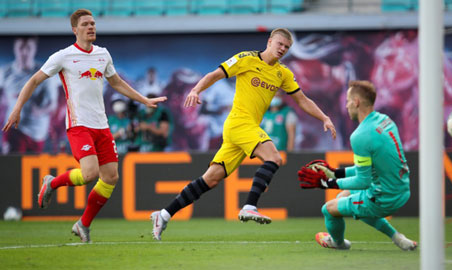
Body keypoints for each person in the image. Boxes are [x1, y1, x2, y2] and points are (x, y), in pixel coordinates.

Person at [150, 28, 336, 241]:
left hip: (242, 129)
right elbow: (215, 74)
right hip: (240, 122)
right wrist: (195, 90)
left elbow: (302, 99)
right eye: (280, 44)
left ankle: (163, 214)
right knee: (274, 157)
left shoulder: (282, 73)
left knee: (211, 179)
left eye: (286, 47)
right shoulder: (245, 58)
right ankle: (249, 206)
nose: (282, 49)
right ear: (269, 42)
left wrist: (324, 118)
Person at [2, 9, 166, 243]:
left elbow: (116, 82)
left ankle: (83, 224)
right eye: (86, 24)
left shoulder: (103, 54)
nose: (91, 27)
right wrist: (17, 108)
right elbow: (35, 80)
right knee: (90, 173)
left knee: (110, 177)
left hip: (102, 125)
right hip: (79, 125)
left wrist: (144, 100)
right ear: (74, 29)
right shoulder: (63, 56)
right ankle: (52, 182)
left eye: (93, 23)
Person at [297, 80, 417, 251]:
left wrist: (326, 183)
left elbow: (363, 181)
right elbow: (370, 169)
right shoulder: (385, 120)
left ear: (356, 102)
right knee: (343, 199)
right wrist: (334, 173)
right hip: (402, 188)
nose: (346, 106)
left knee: (328, 209)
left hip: (384, 199)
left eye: (347, 100)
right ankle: (398, 238)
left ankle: (338, 243)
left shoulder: (360, 135)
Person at [0, 36, 58, 154]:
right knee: (13, 167)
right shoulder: (5, 73)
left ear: (34, 49)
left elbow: (52, 104)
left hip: (37, 132)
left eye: (28, 48)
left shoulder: (45, 74)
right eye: (21, 47)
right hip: (14, 129)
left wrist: (38, 111)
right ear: (15, 48)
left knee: (32, 169)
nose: (24, 52)